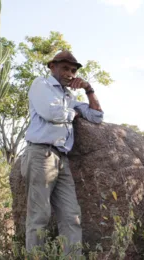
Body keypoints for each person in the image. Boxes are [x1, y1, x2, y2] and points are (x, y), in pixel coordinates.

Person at [21, 50, 103, 255]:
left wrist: (88, 88)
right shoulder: (42, 85)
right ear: (53, 67)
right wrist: (73, 113)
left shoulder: (69, 96)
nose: (70, 73)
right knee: (39, 215)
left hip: (61, 158)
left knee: (71, 215)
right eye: (65, 68)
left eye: (73, 70)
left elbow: (96, 116)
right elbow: (51, 113)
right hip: (41, 154)